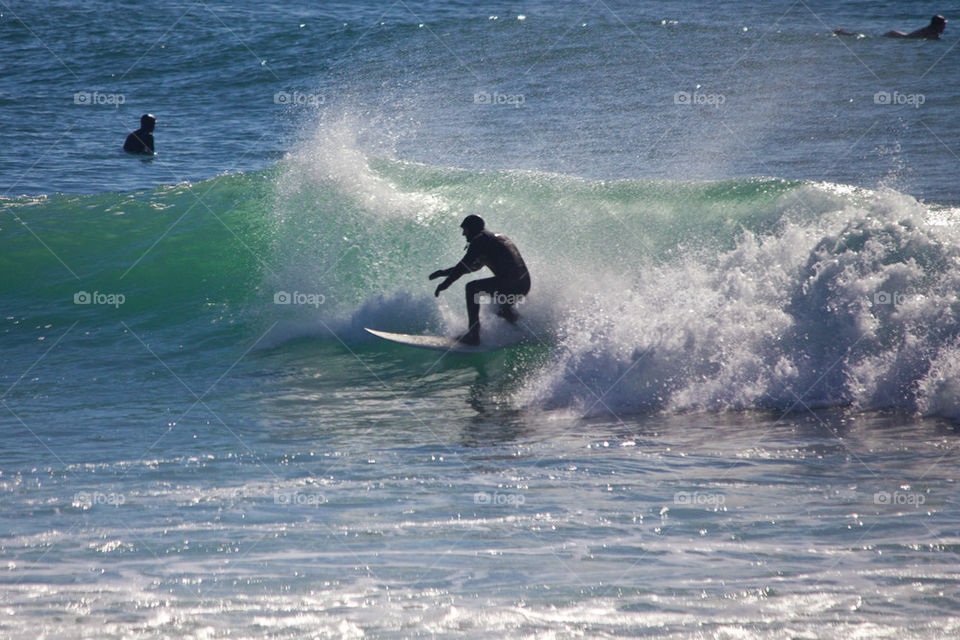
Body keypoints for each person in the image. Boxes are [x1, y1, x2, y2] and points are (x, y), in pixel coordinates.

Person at [429, 215, 531, 345]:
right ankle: (525, 331)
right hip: (523, 285)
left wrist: (445, 284)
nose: (463, 234)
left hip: (511, 283)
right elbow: (472, 266)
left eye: (465, 230)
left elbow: (464, 265)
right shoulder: (493, 238)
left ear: (472, 228)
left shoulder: (480, 240)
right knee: (501, 310)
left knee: (472, 288)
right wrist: (444, 273)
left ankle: (473, 334)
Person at [836, 14, 946, 39]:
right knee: (867, 37)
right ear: (938, 25)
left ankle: (843, 33)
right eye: (944, 25)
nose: (944, 28)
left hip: (897, 34)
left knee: (870, 37)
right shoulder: (932, 33)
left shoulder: (931, 31)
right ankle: (843, 33)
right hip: (896, 35)